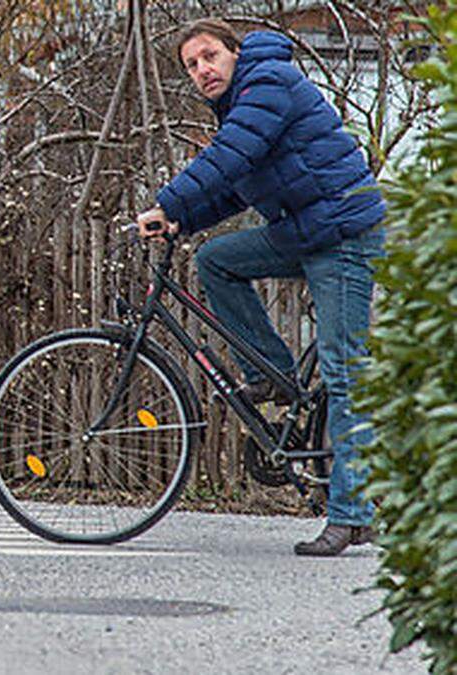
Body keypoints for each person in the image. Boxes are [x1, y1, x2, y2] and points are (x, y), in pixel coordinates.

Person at [135, 19, 385, 556]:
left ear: (234, 52)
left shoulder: (266, 82)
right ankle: (271, 374)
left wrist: (168, 201)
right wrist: (185, 220)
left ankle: (352, 515)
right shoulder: (238, 107)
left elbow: (231, 157)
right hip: (302, 232)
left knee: (345, 372)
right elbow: (236, 184)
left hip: (343, 235)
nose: (202, 70)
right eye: (191, 65)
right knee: (217, 260)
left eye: (209, 56)